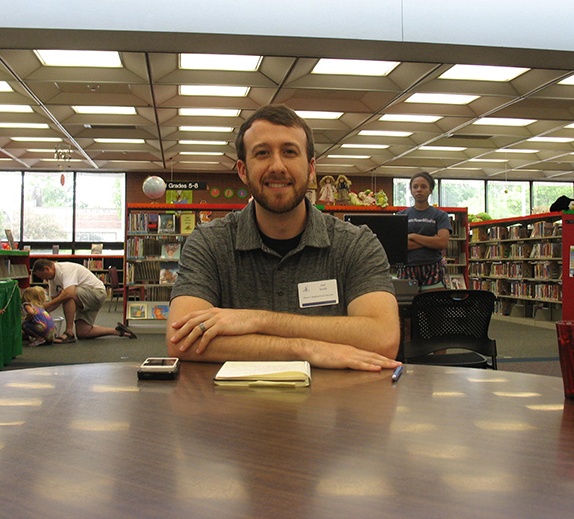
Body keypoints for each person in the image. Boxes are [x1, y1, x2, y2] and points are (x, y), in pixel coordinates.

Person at [166, 104, 400, 372]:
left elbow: (383, 338)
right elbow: (181, 340)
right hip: (232, 409)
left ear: (311, 168)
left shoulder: (356, 244)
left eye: (290, 152)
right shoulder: (209, 243)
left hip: (331, 406)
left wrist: (258, 320)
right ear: (243, 170)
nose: (277, 166)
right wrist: (303, 348)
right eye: (262, 153)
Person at [32, 259, 137, 343]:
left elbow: (69, 293)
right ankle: (118, 331)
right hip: (82, 299)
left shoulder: (65, 269)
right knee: (83, 333)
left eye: (42, 276)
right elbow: (55, 302)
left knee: (68, 294)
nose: (44, 280)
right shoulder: (52, 280)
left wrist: (47, 305)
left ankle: (69, 332)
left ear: (47, 269)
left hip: (96, 293)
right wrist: (38, 315)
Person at [396, 171, 451, 291]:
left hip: (433, 268)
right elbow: (399, 245)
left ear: (430, 190)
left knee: (433, 307)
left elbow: (442, 243)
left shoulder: (440, 215)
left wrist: (413, 236)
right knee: (406, 307)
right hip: (407, 268)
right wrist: (431, 240)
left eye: (423, 186)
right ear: (411, 190)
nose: (419, 190)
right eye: (415, 187)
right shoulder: (401, 215)